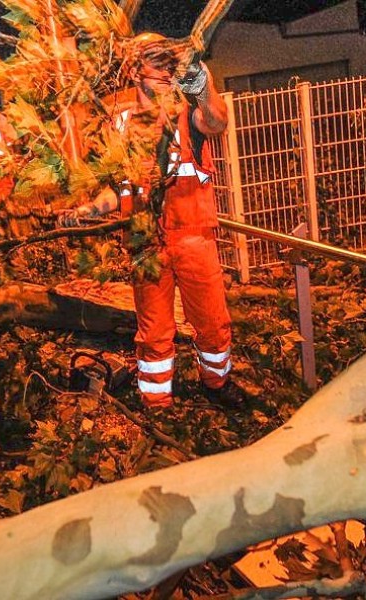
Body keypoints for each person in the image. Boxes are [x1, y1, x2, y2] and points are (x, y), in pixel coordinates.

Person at [60, 33, 233, 410]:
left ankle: (216, 386)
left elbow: (217, 121)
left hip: (193, 238)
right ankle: (157, 402)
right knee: (153, 330)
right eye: (156, 62)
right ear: (135, 70)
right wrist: (87, 211)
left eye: (169, 64)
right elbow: (120, 191)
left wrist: (202, 84)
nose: (165, 71)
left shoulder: (188, 113)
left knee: (211, 322)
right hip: (145, 244)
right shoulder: (120, 126)